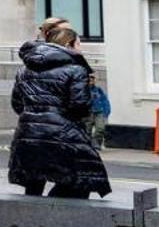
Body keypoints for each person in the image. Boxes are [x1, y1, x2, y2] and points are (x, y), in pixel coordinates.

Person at [8, 18, 112, 200]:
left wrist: (35, 116)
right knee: (80, 181)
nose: (81, 48)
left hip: (28, 133)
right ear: (69, 44)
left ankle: (30, 222)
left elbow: (17, 104)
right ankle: (54, 218)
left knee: (34, 184)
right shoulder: (76, 69)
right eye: (79, 43)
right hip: (62, 133)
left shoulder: (24, 69)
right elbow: (79, 106)